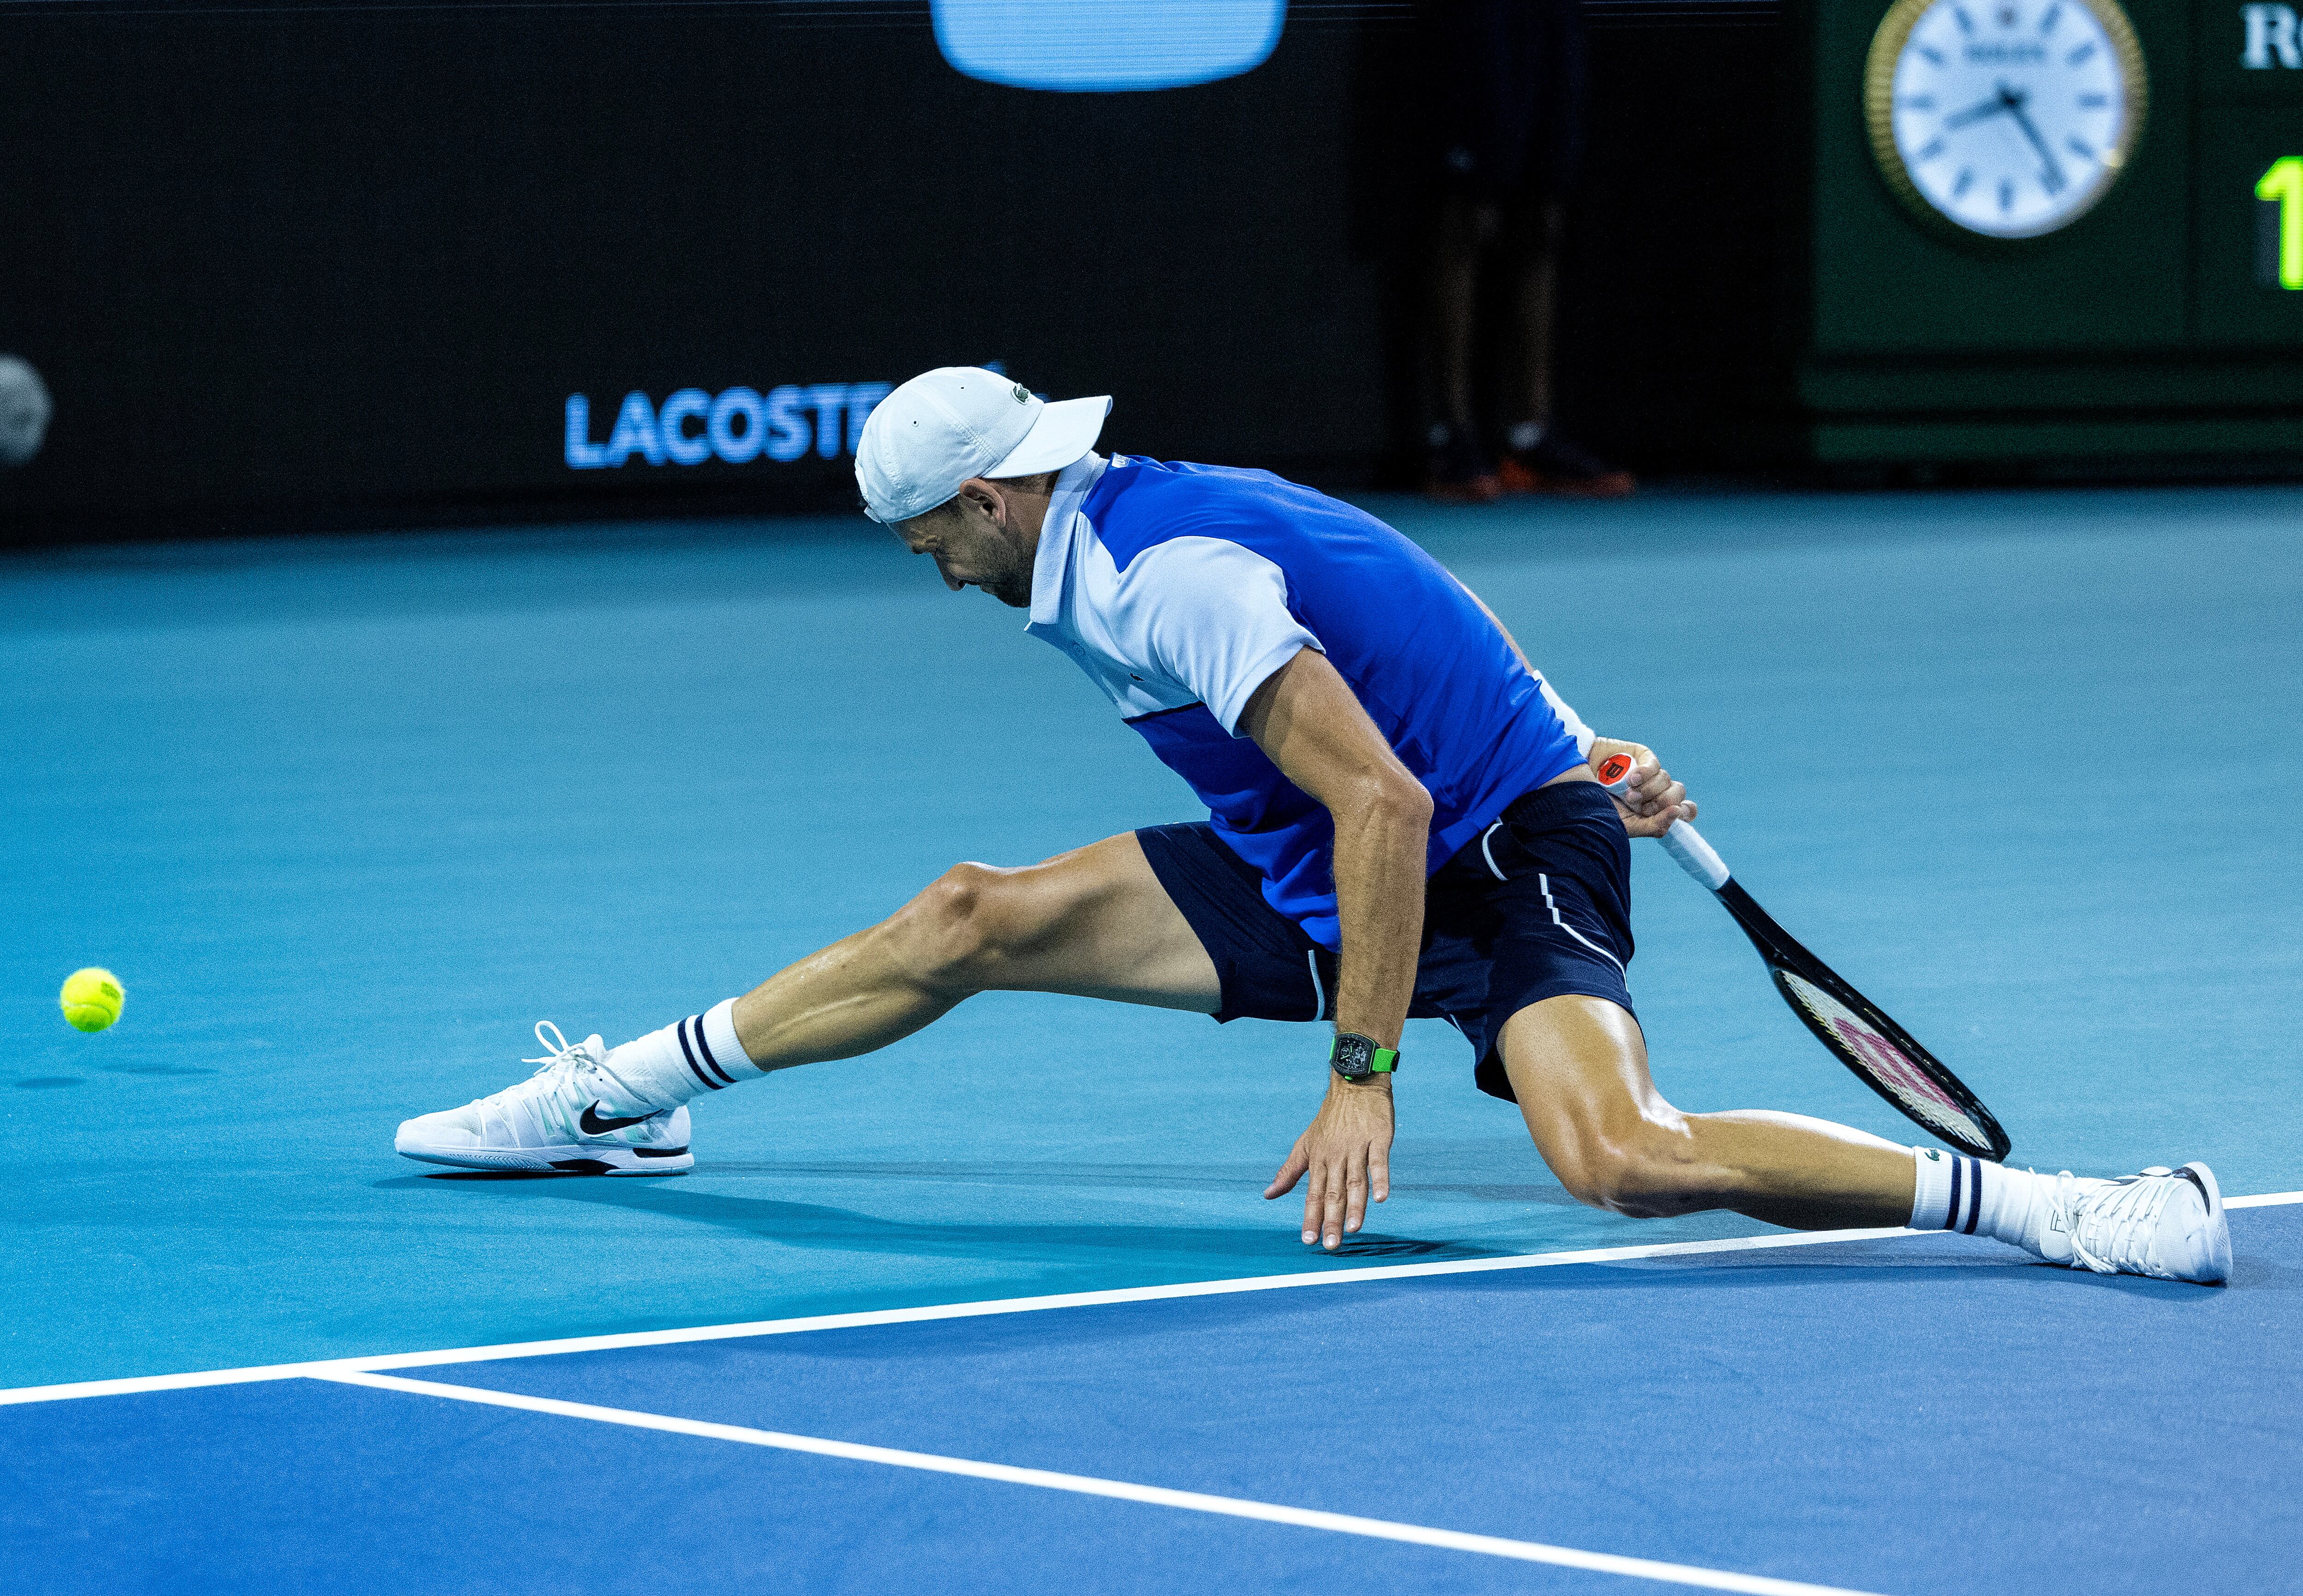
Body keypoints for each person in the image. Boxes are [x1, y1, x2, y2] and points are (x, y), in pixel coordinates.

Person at [397, 369, 2231, 1284]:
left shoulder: (1162, 570)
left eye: (926, 541)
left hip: (1487, 844)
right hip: (1332, 850)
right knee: (968, 915)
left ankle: (2069, 1206)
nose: (925, 573)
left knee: (1621, 1157)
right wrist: (1589, 724)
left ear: (985, 497)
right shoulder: (1113, 535)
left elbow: (1393, 788)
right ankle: (607, 1102)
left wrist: (1363, 1059)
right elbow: (1403, 618)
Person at [1399, 0, 1634, 501]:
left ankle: (1529, 435)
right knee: (1468, 214)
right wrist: (1444, 11)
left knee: (1544, 217)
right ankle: (1453, 434)